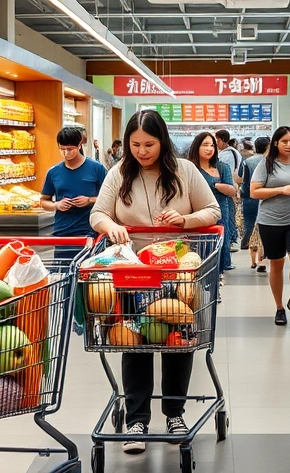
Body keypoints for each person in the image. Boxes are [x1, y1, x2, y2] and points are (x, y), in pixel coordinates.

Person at [90, 110, 221, 455]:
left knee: (178, 339)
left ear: (162, 141)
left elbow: (213, 211)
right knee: (133, 341)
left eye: (149, 144)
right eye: (135, 144)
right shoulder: (119, 173)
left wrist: (185, 219)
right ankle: (137, 419)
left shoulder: (185, 171)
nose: (141, 151)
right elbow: (98, 213)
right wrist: (109, 227)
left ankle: (175, 413)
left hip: (179, 272)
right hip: (132, 270)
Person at [251, 126, 290, 326]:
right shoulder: (266, 164)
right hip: (270, 221)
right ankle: (279, 307)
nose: (289, 145)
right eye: (285, 141)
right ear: (276, 143)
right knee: (276, 264)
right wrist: (281, 190)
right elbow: (254, 192)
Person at [39, 126, 107, 242]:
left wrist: (89, 200)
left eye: (70, 149)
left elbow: (110, 198)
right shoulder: (53, 172)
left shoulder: (97, 168)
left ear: (79, 145)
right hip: (62, 231)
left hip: (90, 231)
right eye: (62, 149)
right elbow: (44, 201)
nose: (66, 153)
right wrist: (57, 205)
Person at [187, 132, 237, 276]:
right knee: (200, 247)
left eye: (212, 145)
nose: (209, 148)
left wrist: (215, 185)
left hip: (221, 212)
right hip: (198, 214)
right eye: (205, 145)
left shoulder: (222, 167)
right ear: (196, 147)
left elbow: (231, 190)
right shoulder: (191, 168)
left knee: (220, 244)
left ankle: (218, 276)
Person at [241, 136, 270, 271]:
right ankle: (262, 259)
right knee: (263, 230)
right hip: (266, 198)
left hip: (249, 198)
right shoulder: (269, 161)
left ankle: (252, 260)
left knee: (250, 227)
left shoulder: (248, 161)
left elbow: (243, 180)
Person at [216, 130, 243, 252]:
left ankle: (231, 239)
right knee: (231, 213)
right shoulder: (234, 152)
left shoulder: (225, 155)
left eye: (216, 140)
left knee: (228, 214)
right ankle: (232, 238)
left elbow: (224, 174)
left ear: (221, 140)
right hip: (234, 186)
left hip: (228, 188)